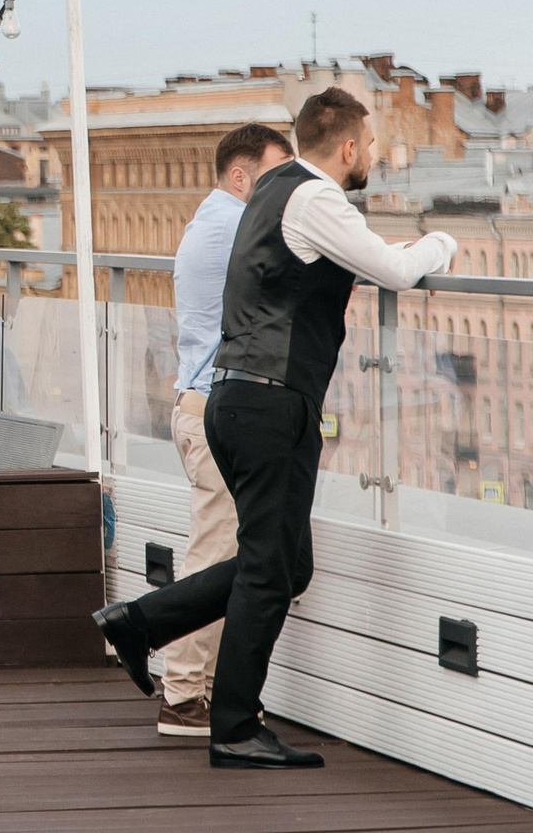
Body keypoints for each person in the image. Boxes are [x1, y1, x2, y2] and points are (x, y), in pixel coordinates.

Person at [95, 89, 457, 769]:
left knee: (287, 563)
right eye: (370, 145)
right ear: (348, 147)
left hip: (235, 398)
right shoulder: (316, 198)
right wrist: (442, 239)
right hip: (270, 405)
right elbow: (394, 269)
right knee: (270, 568)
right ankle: (232, 724)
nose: (373, 156)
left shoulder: (266, 192)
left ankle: (143, 620)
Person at [152, 122, 295, 739]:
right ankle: (182, 694)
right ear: (241, 176)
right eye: (275, 176)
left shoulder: (212, 221)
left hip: (202, 403)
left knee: (228, 551)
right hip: (215, 408)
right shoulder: (233, 226)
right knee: (215, 553)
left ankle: (201, 688)